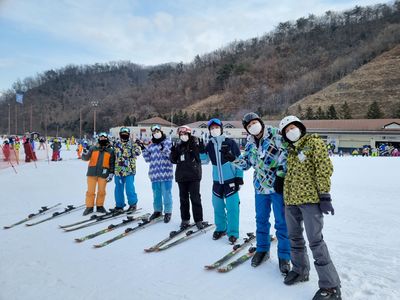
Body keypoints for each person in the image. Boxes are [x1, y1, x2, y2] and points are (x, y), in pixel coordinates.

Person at [279, 116, 341, 300]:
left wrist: (324, 195)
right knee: (294, 237)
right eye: (286, 130)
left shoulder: (313, 143)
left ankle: (331, 287)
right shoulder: (289, 150)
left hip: (310, 200)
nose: (290, 131)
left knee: (315, 241)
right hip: (291, 201)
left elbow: (324, 168)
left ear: (299, 127)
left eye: (292, 127)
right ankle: (300, 270)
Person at [224, 112, 291, 273]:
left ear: (260, 122)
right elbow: (247, 164)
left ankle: (284, 256)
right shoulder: (250, 143)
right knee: (261, 220)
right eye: (248, 126)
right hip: (260, 187)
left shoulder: (275, 134)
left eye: (254, 122)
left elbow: (287, 154)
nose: (252, 126)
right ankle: (262, 249)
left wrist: (281, 176)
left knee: (281, 222)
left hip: (277, 186)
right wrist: (232, 158)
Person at [199, 118, 243, 244]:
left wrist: (239, 177)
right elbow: (204, 161)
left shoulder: (230, 143)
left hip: (231, 180)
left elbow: (240, 160)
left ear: (221, 128)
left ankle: (233, 232)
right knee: (217, 207)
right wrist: (202, 151)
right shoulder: (210, 145)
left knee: (232, 208)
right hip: (217, 182)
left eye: (216, 127)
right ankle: (221, 228)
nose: (214, 130)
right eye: (212, 128)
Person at [170, 125, 204, 230]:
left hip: (194, 176)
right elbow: (173, 160)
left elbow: (201, 157)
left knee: (195, 199)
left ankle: (198, 220)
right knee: (183, 199)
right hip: (182, 176)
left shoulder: (195, 144)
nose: (183, 136)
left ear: (189, 134)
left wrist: (200, 148)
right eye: (181, 134)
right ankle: (185, 219)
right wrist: (173, 152)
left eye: (185, 134)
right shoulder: (179, 146)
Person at [142, 124, 174, 223]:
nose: (156, 133)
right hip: (154, 175)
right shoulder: (151, 145)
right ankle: (157, 211)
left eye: (157, 131)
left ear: (161, 131)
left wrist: (163, 148)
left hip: (166, 174)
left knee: (167, 194)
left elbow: (171, 156)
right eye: (154, 132)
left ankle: (168, 212)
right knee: (156, 195)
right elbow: (147, 159)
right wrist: (143, 149)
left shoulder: (168, 143)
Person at [81, 132, 115, 215]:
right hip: (92, 173)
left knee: (102, 191)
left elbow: (112, 164)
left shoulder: (110, 151)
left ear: (107, 139)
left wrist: (111, 173)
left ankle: (100, 206)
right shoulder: (93, 148)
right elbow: (86, 158)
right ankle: (89, 207)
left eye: (104, 138)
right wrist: (84, 152)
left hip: (103, 173)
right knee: (90, 191)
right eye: (101, 138)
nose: (102, 139)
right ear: (98, 139)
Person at [113, 127, 142, 212]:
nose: (124, 135)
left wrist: (137, 145)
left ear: (129, 135)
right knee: (118, 188)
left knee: (129, 188)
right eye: (122, 133)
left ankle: (133, 204)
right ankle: (119, 205)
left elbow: (138, 152)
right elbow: (113, 156)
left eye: (126, 134)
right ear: (120, 134)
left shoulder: (133, 144)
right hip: (118, 170)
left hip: (129, 170)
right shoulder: (116, 144)